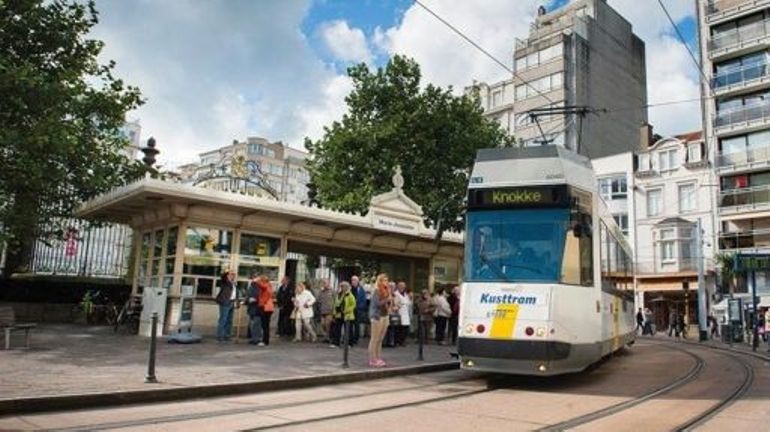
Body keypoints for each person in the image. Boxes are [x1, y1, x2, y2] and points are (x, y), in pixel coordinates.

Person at [368, 273, 392, 367]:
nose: (386, 282)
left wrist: (390, 304)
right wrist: (387, 300)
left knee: (380, 339)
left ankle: (378, 357)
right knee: (375, 338)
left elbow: (388, 303)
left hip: (385, 315)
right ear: (380, 281)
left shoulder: (387, 291)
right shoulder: (376, 291)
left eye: (387, 280)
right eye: (384, 280)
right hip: (377, 316)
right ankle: (372, 359)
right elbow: (376, 304)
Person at [215, 270, 240, 342]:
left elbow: (236, 294)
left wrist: (237, 303)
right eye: (231, 274)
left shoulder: (234, 284)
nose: (233, 276)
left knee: (229, 320)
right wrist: (227, 272)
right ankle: (220, 336)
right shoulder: (224, 282)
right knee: (223, 319)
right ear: (227, 275)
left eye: (234, 274)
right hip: (225, 302)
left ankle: (227, 335)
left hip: (232, 302)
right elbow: (222, 277)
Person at [330, 281, 356, 347]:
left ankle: (349, 343)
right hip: (339, 314)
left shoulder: (350, 295)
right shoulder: (339, 294)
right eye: (341, 286)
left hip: (347, 315)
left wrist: (346, 311)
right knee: (337, 329)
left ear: (347, 287)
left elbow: (353, 305)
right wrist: (334, 313)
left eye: (343, 286)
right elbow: (335, 304)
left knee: (348, 330)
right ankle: (336, 343)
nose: (342, 288)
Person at [245, 274, 263, 346]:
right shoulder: (251, 286)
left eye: (256, 278)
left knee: (257, 324)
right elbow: (248, 296)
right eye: (253, 278)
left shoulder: (261, 287)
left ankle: (257, 339)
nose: (254, 279)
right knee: (253, 324)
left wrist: (256, 299)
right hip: (252, 308)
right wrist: (247, 300)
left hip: (258, 308)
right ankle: (253, 338)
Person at [256, 275, 274, 346]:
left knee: (265, 325)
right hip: (269, 307)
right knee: (266, 325)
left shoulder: (265, 286)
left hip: (265, 307)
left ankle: (265, 341)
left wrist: (257, 280)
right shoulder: (269, 286)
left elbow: (261, 286)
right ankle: (265, 339)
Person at [350, 275, 367, 346]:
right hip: (351, 310)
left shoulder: (361, 289)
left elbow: (363, 300)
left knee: (357, 325)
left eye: (355, 280)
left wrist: (359, 307)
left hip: (358, 310)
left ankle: (356, 339)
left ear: (358, 281)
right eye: (352, 280)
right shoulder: (350, 289)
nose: (353, 282)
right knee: (350, 325)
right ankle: (350, 338)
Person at [395, 281, 412, 346]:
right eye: (401, 286)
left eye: (403, 286)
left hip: (406, 313)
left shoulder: (406, 294)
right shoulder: (396, 294)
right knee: (399, 328)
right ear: (398, 286)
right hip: (399, 312)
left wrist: (410, 299)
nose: (402, 287)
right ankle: (398, 341)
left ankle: (402, 341)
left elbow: (408, 303)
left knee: (405, 328)